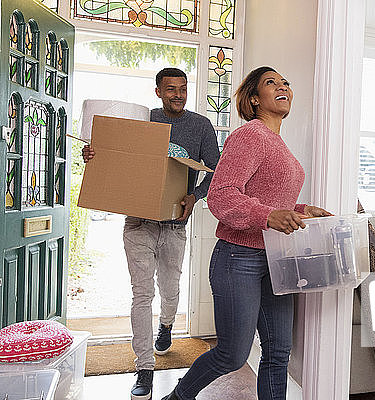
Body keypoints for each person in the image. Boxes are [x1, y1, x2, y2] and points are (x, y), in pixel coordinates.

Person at [160, 66, 331, 400]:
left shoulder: (278, 142)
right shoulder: (250, 135)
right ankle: (177, 398)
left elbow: (272, 201)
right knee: (232, 355)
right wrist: (269, 215)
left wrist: (301, 211)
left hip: (277, 259)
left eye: (286, 82)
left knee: (278, 352)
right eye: (271, 83)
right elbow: (222, 196)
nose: (283, 86)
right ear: (254, 99)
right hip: (239, 258)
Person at [82, 68, 220, 400]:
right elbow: (116, 156)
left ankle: (168, 325)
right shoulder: (145, 119)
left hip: (175, 223)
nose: (178, 94)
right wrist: (92, 155)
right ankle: (144, 366)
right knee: (141, 296)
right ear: (157, 91)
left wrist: (195, 196)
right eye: (170, 89)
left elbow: (215, 171)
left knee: (170, 289)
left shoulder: (200, 126)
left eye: (183, 89)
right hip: (138, 223)